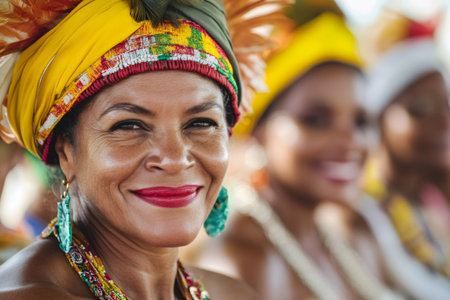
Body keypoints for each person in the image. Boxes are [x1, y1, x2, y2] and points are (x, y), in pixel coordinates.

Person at [0, 0, 285, 298]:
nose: (175, 159)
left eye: (200, 123)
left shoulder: (232, 294)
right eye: (129, 126)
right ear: (66, 150)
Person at [184, 5, 405, 300]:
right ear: (259, 131)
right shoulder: (243, 258)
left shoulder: (347, 237)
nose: (350, 140)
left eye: (361, 121)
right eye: (316, 120)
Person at [361, 11, 450, 300]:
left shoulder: (432, 199)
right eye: (420, 108)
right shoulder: (360, 214)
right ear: (378, 120)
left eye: (447, 105)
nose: (444, 122)